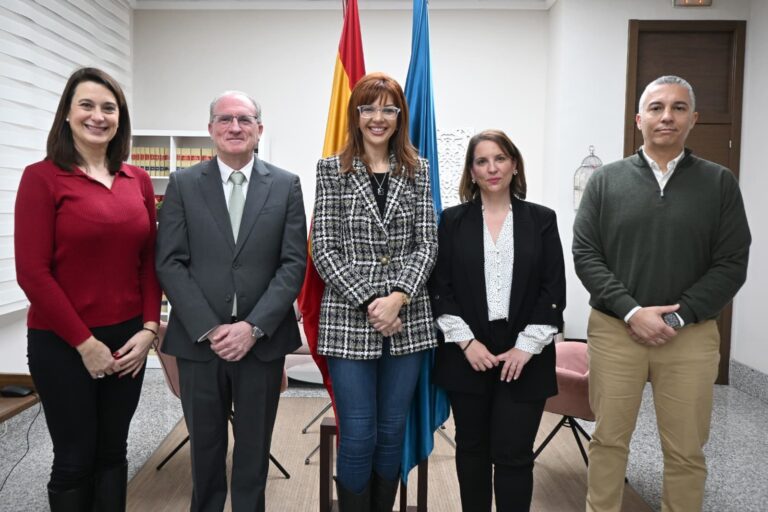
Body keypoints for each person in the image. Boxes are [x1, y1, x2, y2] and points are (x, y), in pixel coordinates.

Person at [573, 75, 751, 512]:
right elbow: (586, 255)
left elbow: (732, 262)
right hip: (616, 332)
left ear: (694, 119)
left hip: (689, 337)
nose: (666, 116)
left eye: (677, 107)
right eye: (656, 108)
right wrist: (633, 312)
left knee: (686, 451)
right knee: (609, 441)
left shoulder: (720, 183)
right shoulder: (606, 181)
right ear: (639, 119)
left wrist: (677, 316)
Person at [14, 67, 161, 511]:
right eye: (87, 105)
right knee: (75, 457)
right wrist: (84, 344)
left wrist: (150, 329)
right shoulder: (42, 178)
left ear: (120, 118)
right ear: (67, 115)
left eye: (108, 108)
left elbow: (148, 262)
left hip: (128, 341)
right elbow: (32, 274)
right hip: (62, 343)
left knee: (114, 452)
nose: (98, 116)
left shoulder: (137, 180)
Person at [155, 90, 306, 512]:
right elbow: (170, 262)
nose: (234, 127)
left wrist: (253, 327)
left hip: (261, 344)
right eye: (225, 119)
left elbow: (293, 265)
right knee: (205, 451)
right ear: (210, 130)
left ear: (260, 129)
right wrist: (211, 327)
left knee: (254, 452)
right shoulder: (183, 184)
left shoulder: (286, 185)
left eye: (244, 119)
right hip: (199, 344)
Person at [310, 72, 438, 511]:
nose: (378, 118)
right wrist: (372, 302)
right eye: (369, 108)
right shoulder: (332, 169)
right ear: (356, 114)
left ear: (400, 116)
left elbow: (428, 243)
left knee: (391, 430)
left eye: (388, 108)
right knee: (359, 430)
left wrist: (399, 296)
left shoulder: (417, 169)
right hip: (349, 318)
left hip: (409, 319)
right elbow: (324, 249)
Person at [428, 129, 566, 512]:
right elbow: (440, 287)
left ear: (514, 164)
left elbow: (553, 290)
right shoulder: (452, 221)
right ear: (471, 171)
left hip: (527, 354)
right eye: (482, 161)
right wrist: (467, 343)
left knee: (514, 453)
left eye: (500, 158)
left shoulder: (541, 219)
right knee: (471, 450)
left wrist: (525, 348)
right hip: (467, 350)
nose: (492, 168)